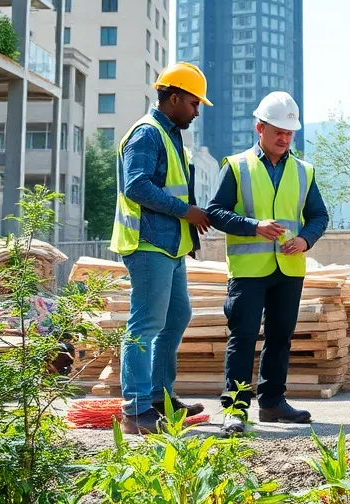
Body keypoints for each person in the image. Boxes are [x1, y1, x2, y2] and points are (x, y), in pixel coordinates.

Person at [206, 91, 329, 435]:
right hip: (248, 271)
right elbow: (215, 211)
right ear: (259, 128)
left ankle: (273, 403)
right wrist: (252, 226)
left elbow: (319, 215)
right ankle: (235, 410)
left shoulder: (305, 171)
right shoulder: (236, 166)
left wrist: (306, 239)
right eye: (278, 131)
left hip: (288, 269)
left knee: (280, 337)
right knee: (242, 337)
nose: (284, 138)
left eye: (289, 133)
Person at [111, 63, 213, 433]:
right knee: (146, 325)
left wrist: (189, 231)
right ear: (173, 98)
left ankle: (159, 398)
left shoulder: (170, 136)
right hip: (148, 244)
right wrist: (186, 212)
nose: (196, 110)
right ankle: (136, 410)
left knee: (175, 318)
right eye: (193, 102)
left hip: (169, 247)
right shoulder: (147, 134)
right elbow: (136, 186)